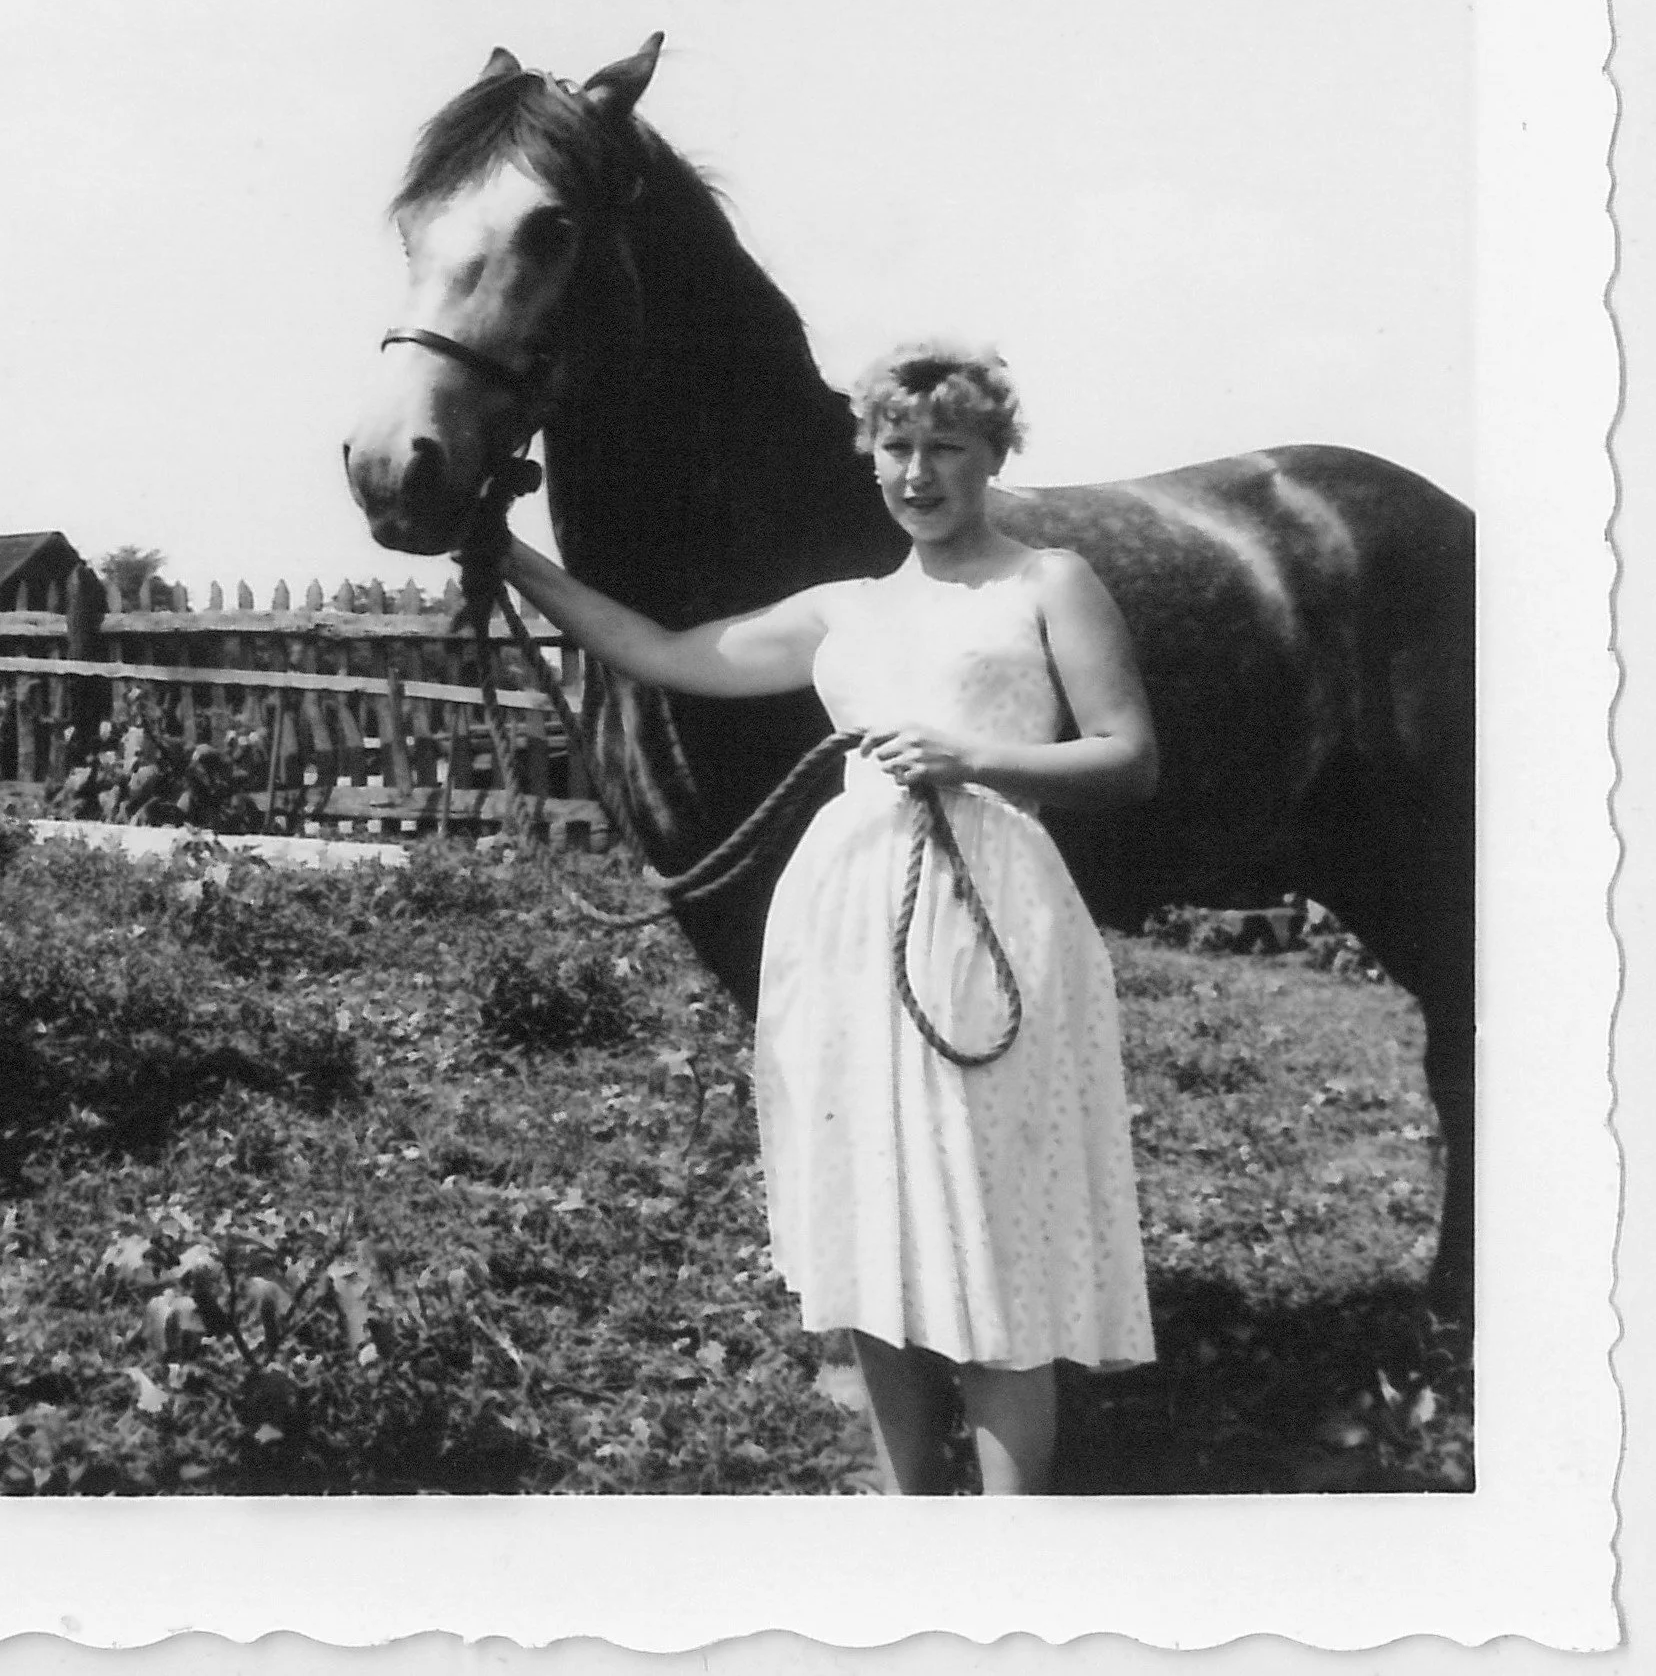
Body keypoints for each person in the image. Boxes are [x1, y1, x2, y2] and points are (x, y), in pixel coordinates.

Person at [491, 339, 1159, 1494]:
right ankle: (911, 1513)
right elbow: (658, 653)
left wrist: (976, 756)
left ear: (994, 454)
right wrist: (502, 554)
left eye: (946, 448)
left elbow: (1128, 756)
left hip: (992, 916)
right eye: (895, 447)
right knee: (874, 1216)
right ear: (869, 456)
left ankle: (1016, 1554)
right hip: (847, 925)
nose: (917, 473)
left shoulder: (1049, 582)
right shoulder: (840, 610)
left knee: (993, 1230)